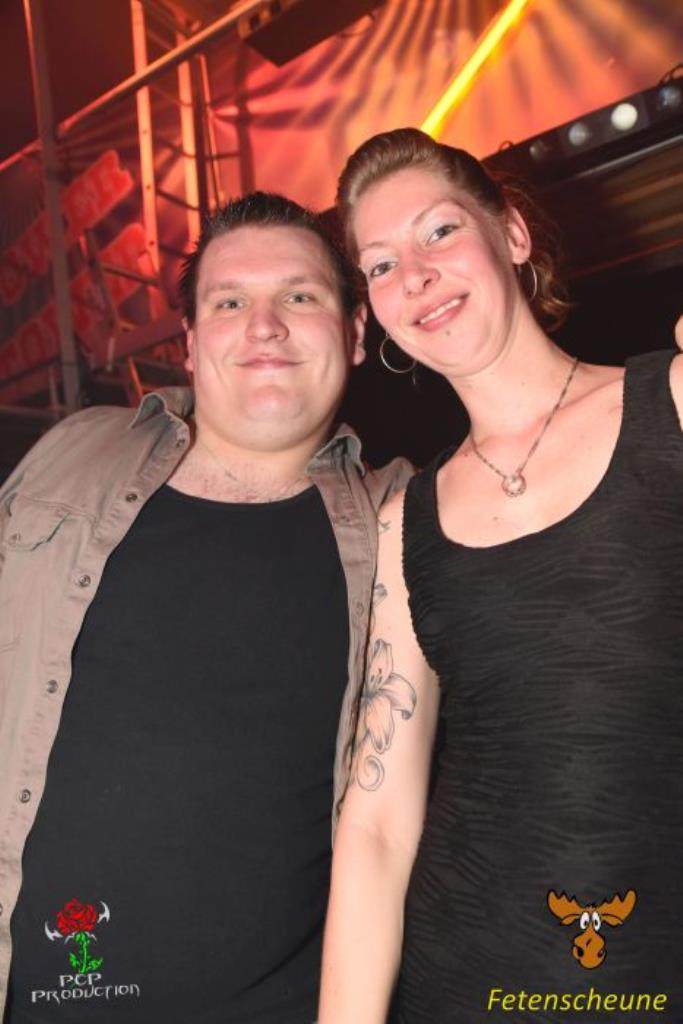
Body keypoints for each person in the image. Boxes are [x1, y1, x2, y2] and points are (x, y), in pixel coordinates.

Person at [0, 192, 412, 1023]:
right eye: (229, 303)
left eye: (299, 295)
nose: (263, 326)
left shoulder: (402, 523)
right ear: (188, 342)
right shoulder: (71, 453)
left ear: (355, 332)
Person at [319, 128, 683, 1022]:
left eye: (439, 231)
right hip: (460, 979)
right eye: (380, 264)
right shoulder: (405, 522)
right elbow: (376, 826)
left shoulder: (671, 405)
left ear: (512, 233)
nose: (414, 275)